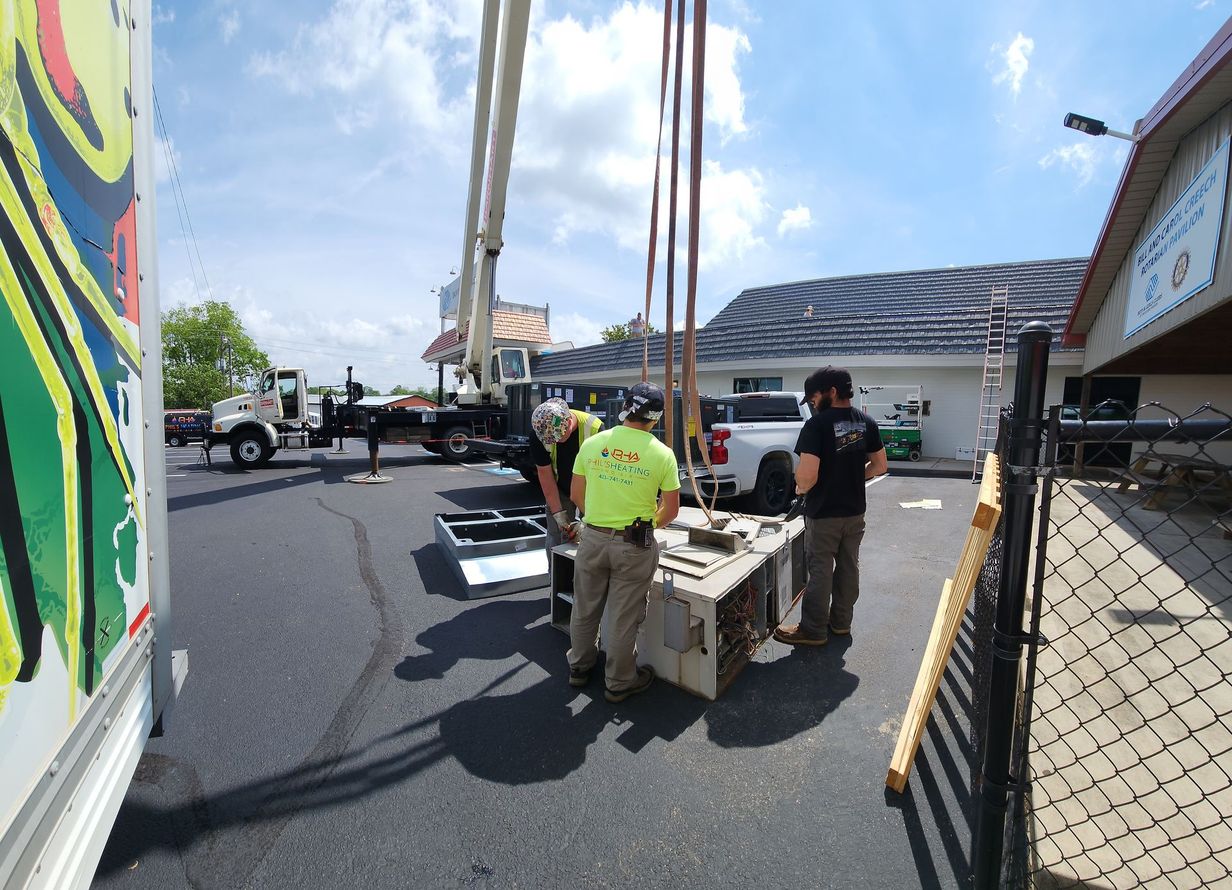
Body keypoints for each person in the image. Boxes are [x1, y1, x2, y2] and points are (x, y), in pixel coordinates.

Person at [568, 382, 680, 702]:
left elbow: (577, 495)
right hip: (634, 546)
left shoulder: (593, 444)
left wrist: (600, 520)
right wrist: (643, 528)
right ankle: (618, 682)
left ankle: (579, 667)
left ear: (626, 406)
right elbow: (670, 510)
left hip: (592, 539)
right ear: (655, 418)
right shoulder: (662, 454)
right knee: (623, 616)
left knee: (585, 607)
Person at [774, 366, 886, 647]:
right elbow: (880, 465)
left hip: (824, 514)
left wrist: (800, 486)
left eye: (814, 397)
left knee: (820, 569)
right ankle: (841, 623)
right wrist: (849, 477)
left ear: (832, 392)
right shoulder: (866, 422)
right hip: (855, 512)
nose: (812, 403)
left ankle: (813, 630)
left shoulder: (817, 425)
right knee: (849, 567)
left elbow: (808, 475)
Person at [529, 398, 604, 556]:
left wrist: (588, 520)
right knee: (556, 537)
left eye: (560, 436)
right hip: (560, 487)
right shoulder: (540, 432)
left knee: (594, 535)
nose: (556, 441)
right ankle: (556, 577)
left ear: (569, 421)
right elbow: (545, 474)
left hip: (590, 489)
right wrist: (557, 513)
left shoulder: (595, 429)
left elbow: (602, 477)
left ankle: (587, 576)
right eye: (552, 439)